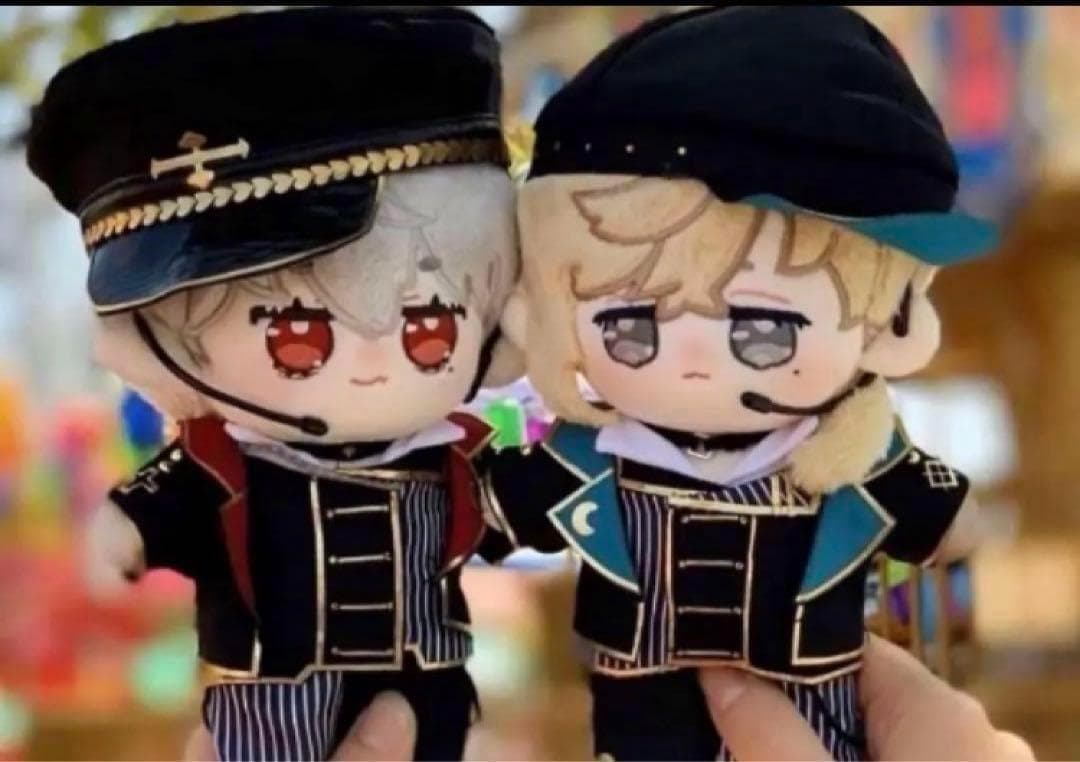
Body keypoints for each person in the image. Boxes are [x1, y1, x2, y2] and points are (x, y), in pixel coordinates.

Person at [482, 6, 997, 760]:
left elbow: (935, 516)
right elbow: (498, 509)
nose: (692, 358)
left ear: (889, 320)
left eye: (763, 332)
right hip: (641, 700)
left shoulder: (853, 458)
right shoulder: (592, 455)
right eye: (631, 328)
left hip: (813, 691)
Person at [26, 7, 519, 760]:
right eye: (297, 337)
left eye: (428, 327)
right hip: (276, 680)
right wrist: (126, 532)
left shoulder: (455, 453)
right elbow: (164, 504)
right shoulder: (222, 465)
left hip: (427, 670)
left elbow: (530, 503)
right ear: (160, 347)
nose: (368, 361)